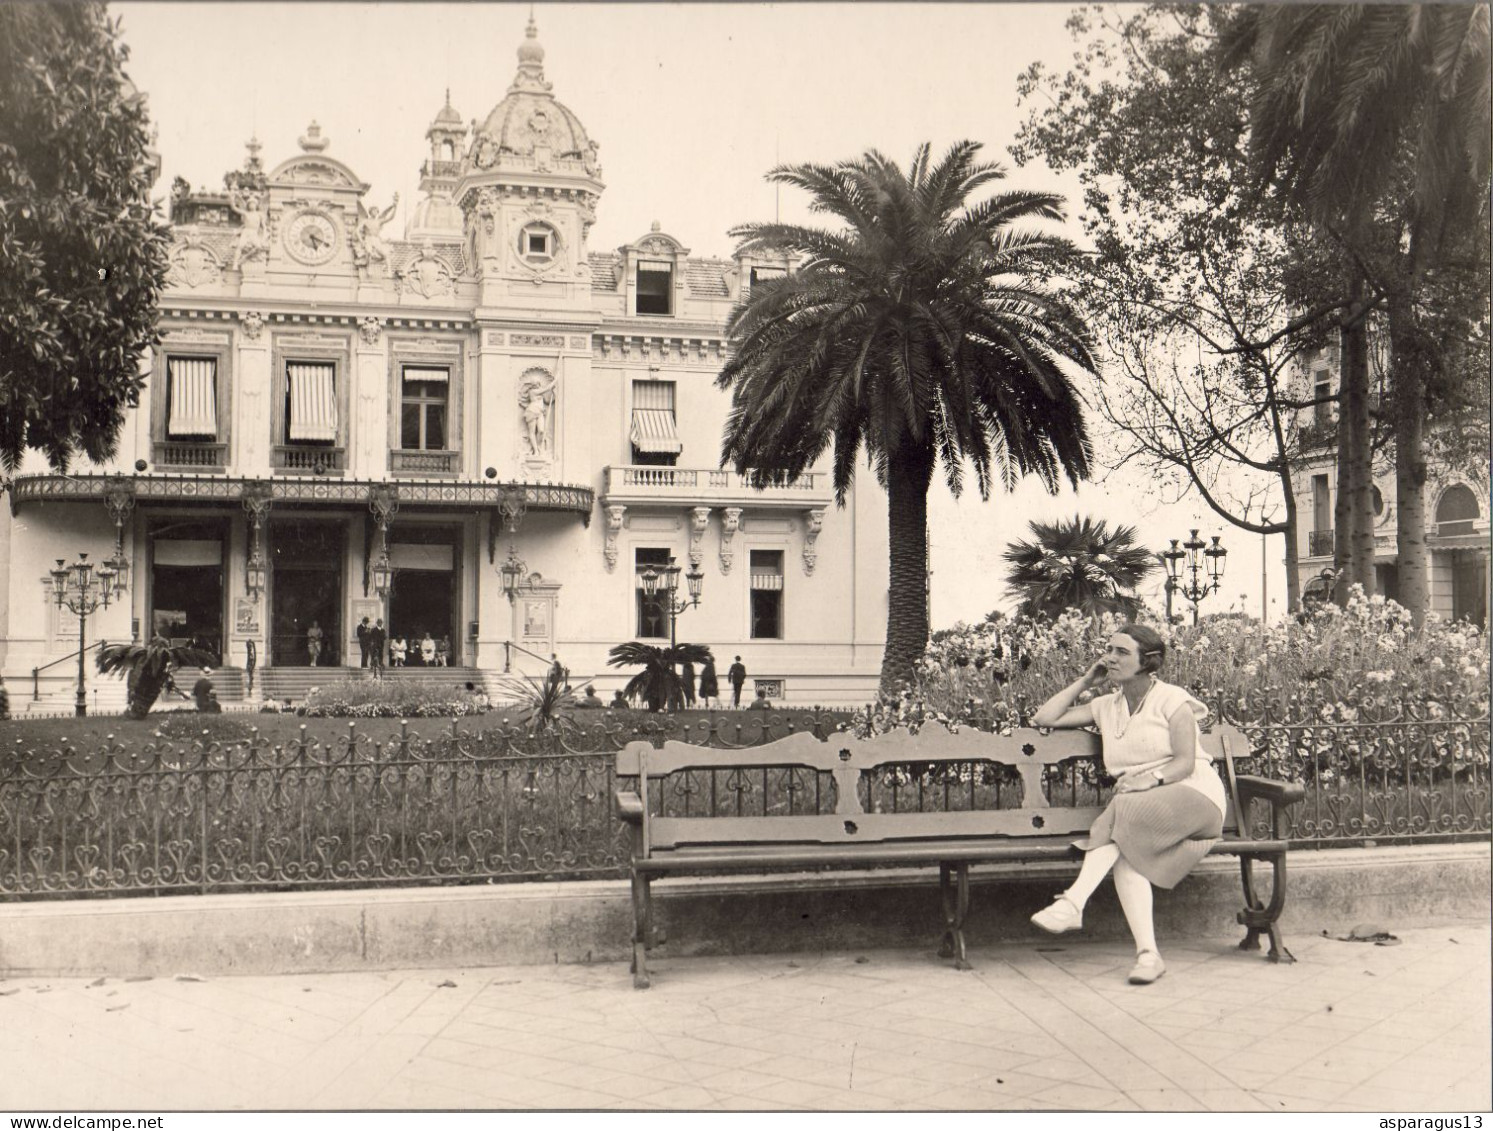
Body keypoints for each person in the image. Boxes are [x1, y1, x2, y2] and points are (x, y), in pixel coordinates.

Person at [1028, 623, 1226, 987]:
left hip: (1194, 793)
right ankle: (1148, 955)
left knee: (1122, 809)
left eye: (1122, 652)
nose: (1110, 657)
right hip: (1139, 807)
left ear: (1148, 662)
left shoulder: (1172, 700)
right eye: (1109, 649)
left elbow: (1184, 761)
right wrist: (1087, 681)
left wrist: (1148, 780)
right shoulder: (1106, 706)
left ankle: (1073, 902)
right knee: (1126, 851)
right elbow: (1045, 718)